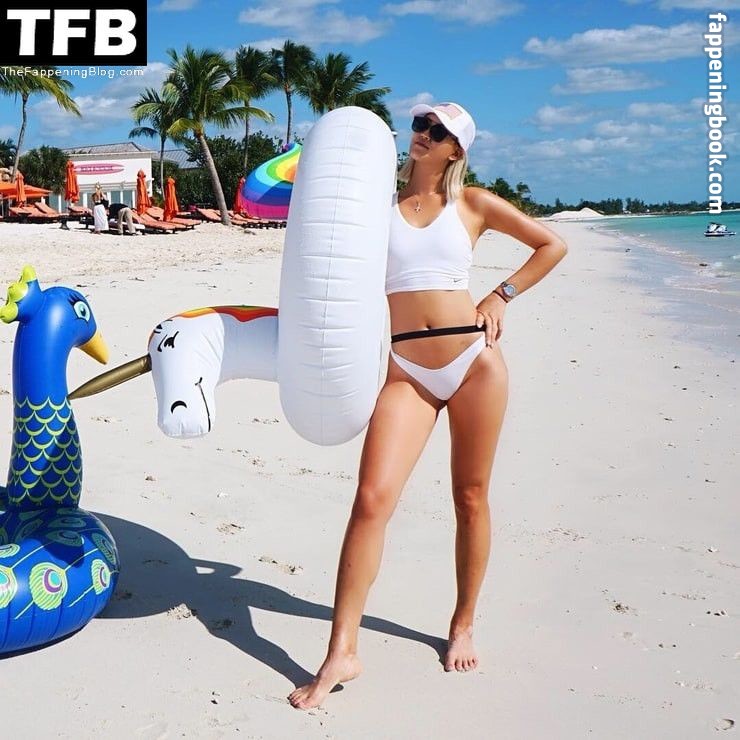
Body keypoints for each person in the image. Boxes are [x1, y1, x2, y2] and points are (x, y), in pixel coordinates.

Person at [288, 102, 568, 710]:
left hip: (473, 363)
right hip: (405, 370)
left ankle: (462, 623)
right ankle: (341, 650)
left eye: (436, 131)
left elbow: (552, 244)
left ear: (455, 150)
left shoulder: (473, 204)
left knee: (470, 496)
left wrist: (501, 295)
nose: (422, 134)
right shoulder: (376, 209)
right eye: (419, 124)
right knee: (370, 500)